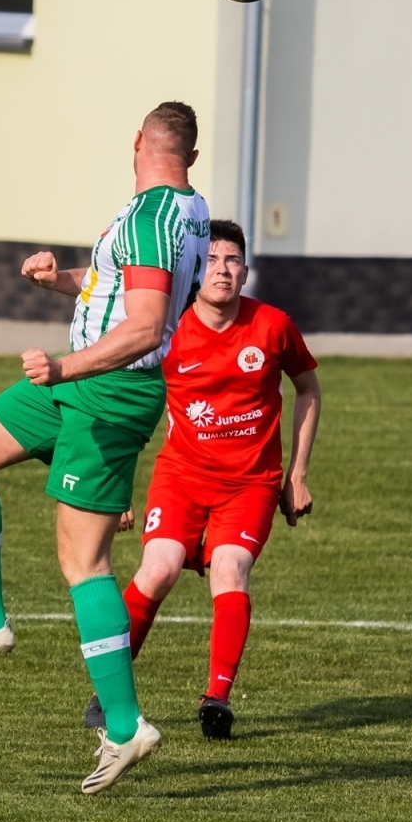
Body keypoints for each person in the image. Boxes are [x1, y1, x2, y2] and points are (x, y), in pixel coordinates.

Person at [0, 101, 210, 794]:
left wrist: (64, 365)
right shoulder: (186, 211)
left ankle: (127, 725)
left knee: (85, 561)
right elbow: (128, 289)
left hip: (107, 392)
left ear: (137, 142)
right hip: (81, 382)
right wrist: (61, 283)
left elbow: (144, 327)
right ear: (189, 156)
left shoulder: (147, 218)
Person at [90, 219, 322, 739]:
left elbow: (309, 390)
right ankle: (109, 694)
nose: (222, 269)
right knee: (159, 568)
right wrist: (118, 484)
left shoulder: (273, 326)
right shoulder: (166, 332)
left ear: (245, 271)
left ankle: (217, 698)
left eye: (232, 260)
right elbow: (128, 406)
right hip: (182, 477)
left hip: (251, 484)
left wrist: (297, 474)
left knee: (230, 570)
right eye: (213, 259)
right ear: (197, 270)